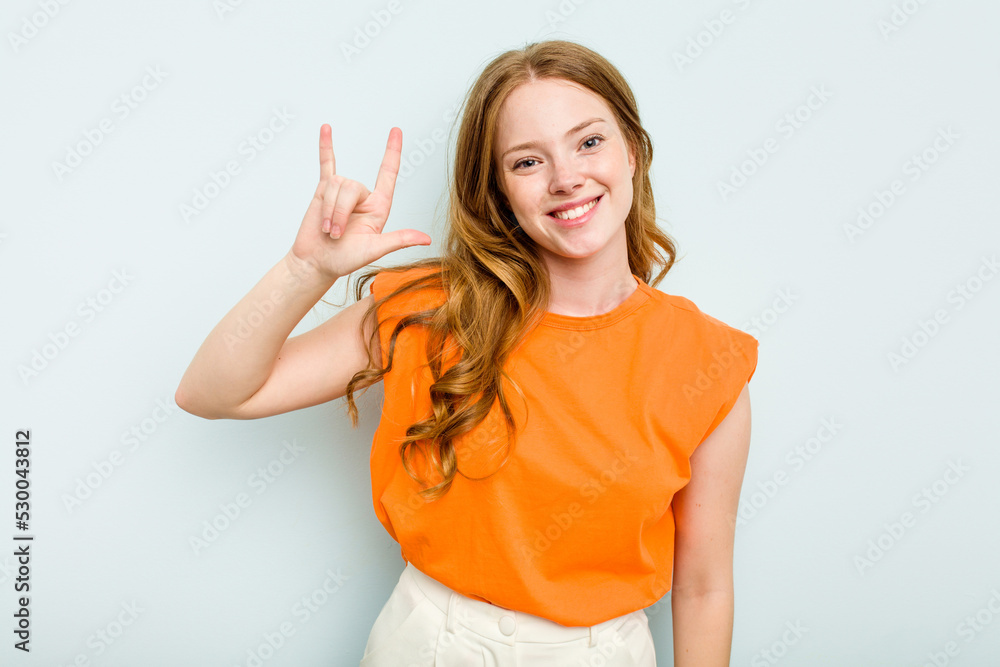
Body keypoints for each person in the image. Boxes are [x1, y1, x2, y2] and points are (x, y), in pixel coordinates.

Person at [176, 39, 758, 667]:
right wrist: (305, 268)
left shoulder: (709, 362)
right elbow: (213, 393)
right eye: (527, 161)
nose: (566, 178)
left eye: (589, 142)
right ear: (499, 190)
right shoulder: (430, 310)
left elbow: (703, 588)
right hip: (425, 644)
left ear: (634, 152)